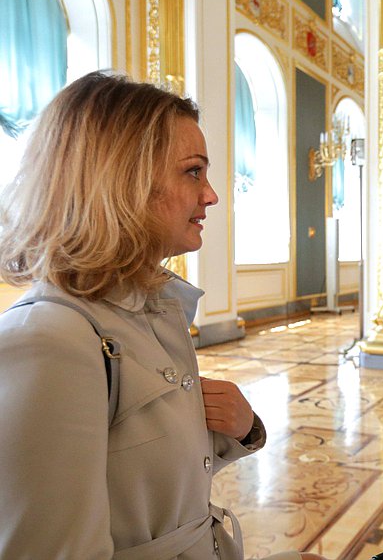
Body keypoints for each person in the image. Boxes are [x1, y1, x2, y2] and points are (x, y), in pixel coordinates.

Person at [0, 72, 326, 560]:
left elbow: (142, 478)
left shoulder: (153, 311)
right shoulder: (48, 342)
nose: (211, 195)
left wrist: (244, 429)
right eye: (193, 171)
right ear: (121, 178)